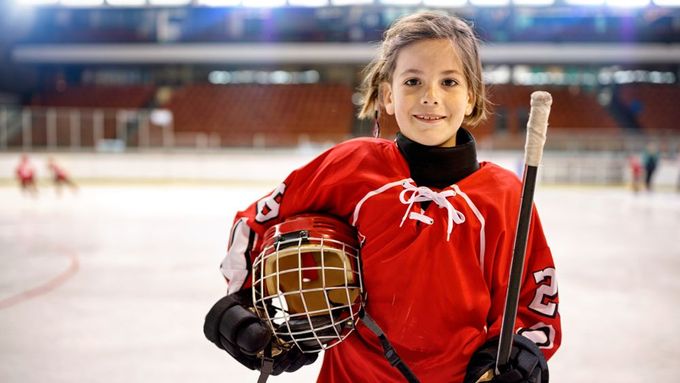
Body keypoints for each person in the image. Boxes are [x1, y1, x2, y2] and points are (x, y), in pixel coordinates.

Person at [204, 11, 561, 383]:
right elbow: (255, 223)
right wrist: (241, 305)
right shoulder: (350, 167)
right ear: (388, 96)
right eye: (412, 81)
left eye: (449, 82)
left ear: (472, 98)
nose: (430, 97)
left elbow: (535, 303)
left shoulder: (504, 196)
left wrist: (520, 353)